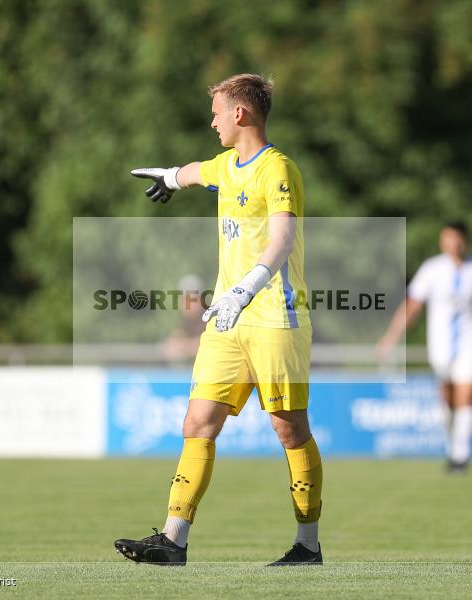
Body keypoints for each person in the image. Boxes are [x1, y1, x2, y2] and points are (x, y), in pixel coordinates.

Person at [115, 74, 322, 566]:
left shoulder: (279, 170)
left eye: (216, 111)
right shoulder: (226, 166)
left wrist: (243, 291)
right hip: (226, 323)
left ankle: (307, 546)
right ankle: (173, 540)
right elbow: (195, 172)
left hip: (275, 317)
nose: (211, 121)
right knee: (198, 422)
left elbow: (281, 242)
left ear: (240, 114)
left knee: (289, 428)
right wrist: (168, 177)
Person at [377, 221, 472, 472]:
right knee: (448, 399)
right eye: (448, 239)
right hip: (441, 344)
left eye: (457, 239)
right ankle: (453, 445)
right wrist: (392, 337)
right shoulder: (432, 269)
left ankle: (461, 456)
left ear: (466, 240)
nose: (453, 245)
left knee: (467, 396)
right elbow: (413, 306)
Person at [160, 274, 207, 363]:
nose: (188, 304)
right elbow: (170, 346)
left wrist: (186, 347)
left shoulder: (212, 317)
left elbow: (210, 344)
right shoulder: (184, 321)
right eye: (185, 299)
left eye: (193, 299)